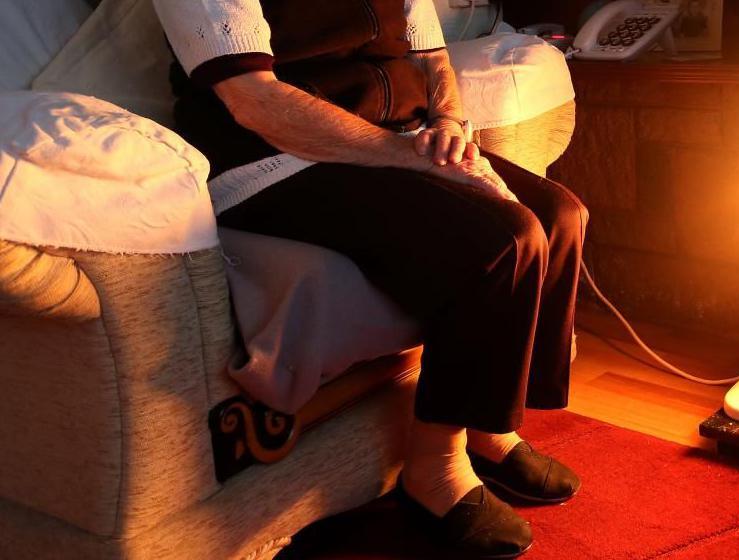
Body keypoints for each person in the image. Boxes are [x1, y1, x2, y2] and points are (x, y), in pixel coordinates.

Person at [153, 1, 588, 557]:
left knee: (560, 216)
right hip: (276, 161)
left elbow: (432, 61)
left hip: (397, 139)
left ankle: (489, 426)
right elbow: (253, 100)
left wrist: (448, 125)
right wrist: (405, 155)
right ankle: (435, 470)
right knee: (504, 239)